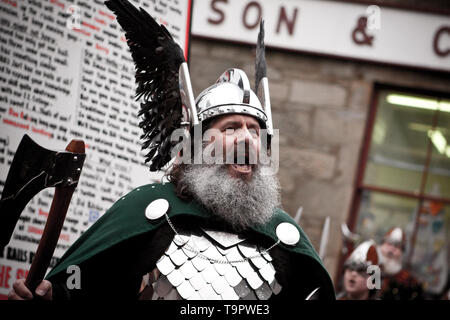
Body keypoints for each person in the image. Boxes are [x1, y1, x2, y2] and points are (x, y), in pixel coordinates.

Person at [8, 0, 335, 300]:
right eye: (231, 128)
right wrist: (54, 296)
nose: (247, 139)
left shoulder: (284, 238)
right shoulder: (145, 210)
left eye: (255, 131)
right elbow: (86, 288)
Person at [377, 227, 423, 300]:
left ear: (402, 252)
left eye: (397, 246)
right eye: (389, 244)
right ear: (381, 245)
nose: (391, 249)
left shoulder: (408, 282)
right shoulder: (367, 271)